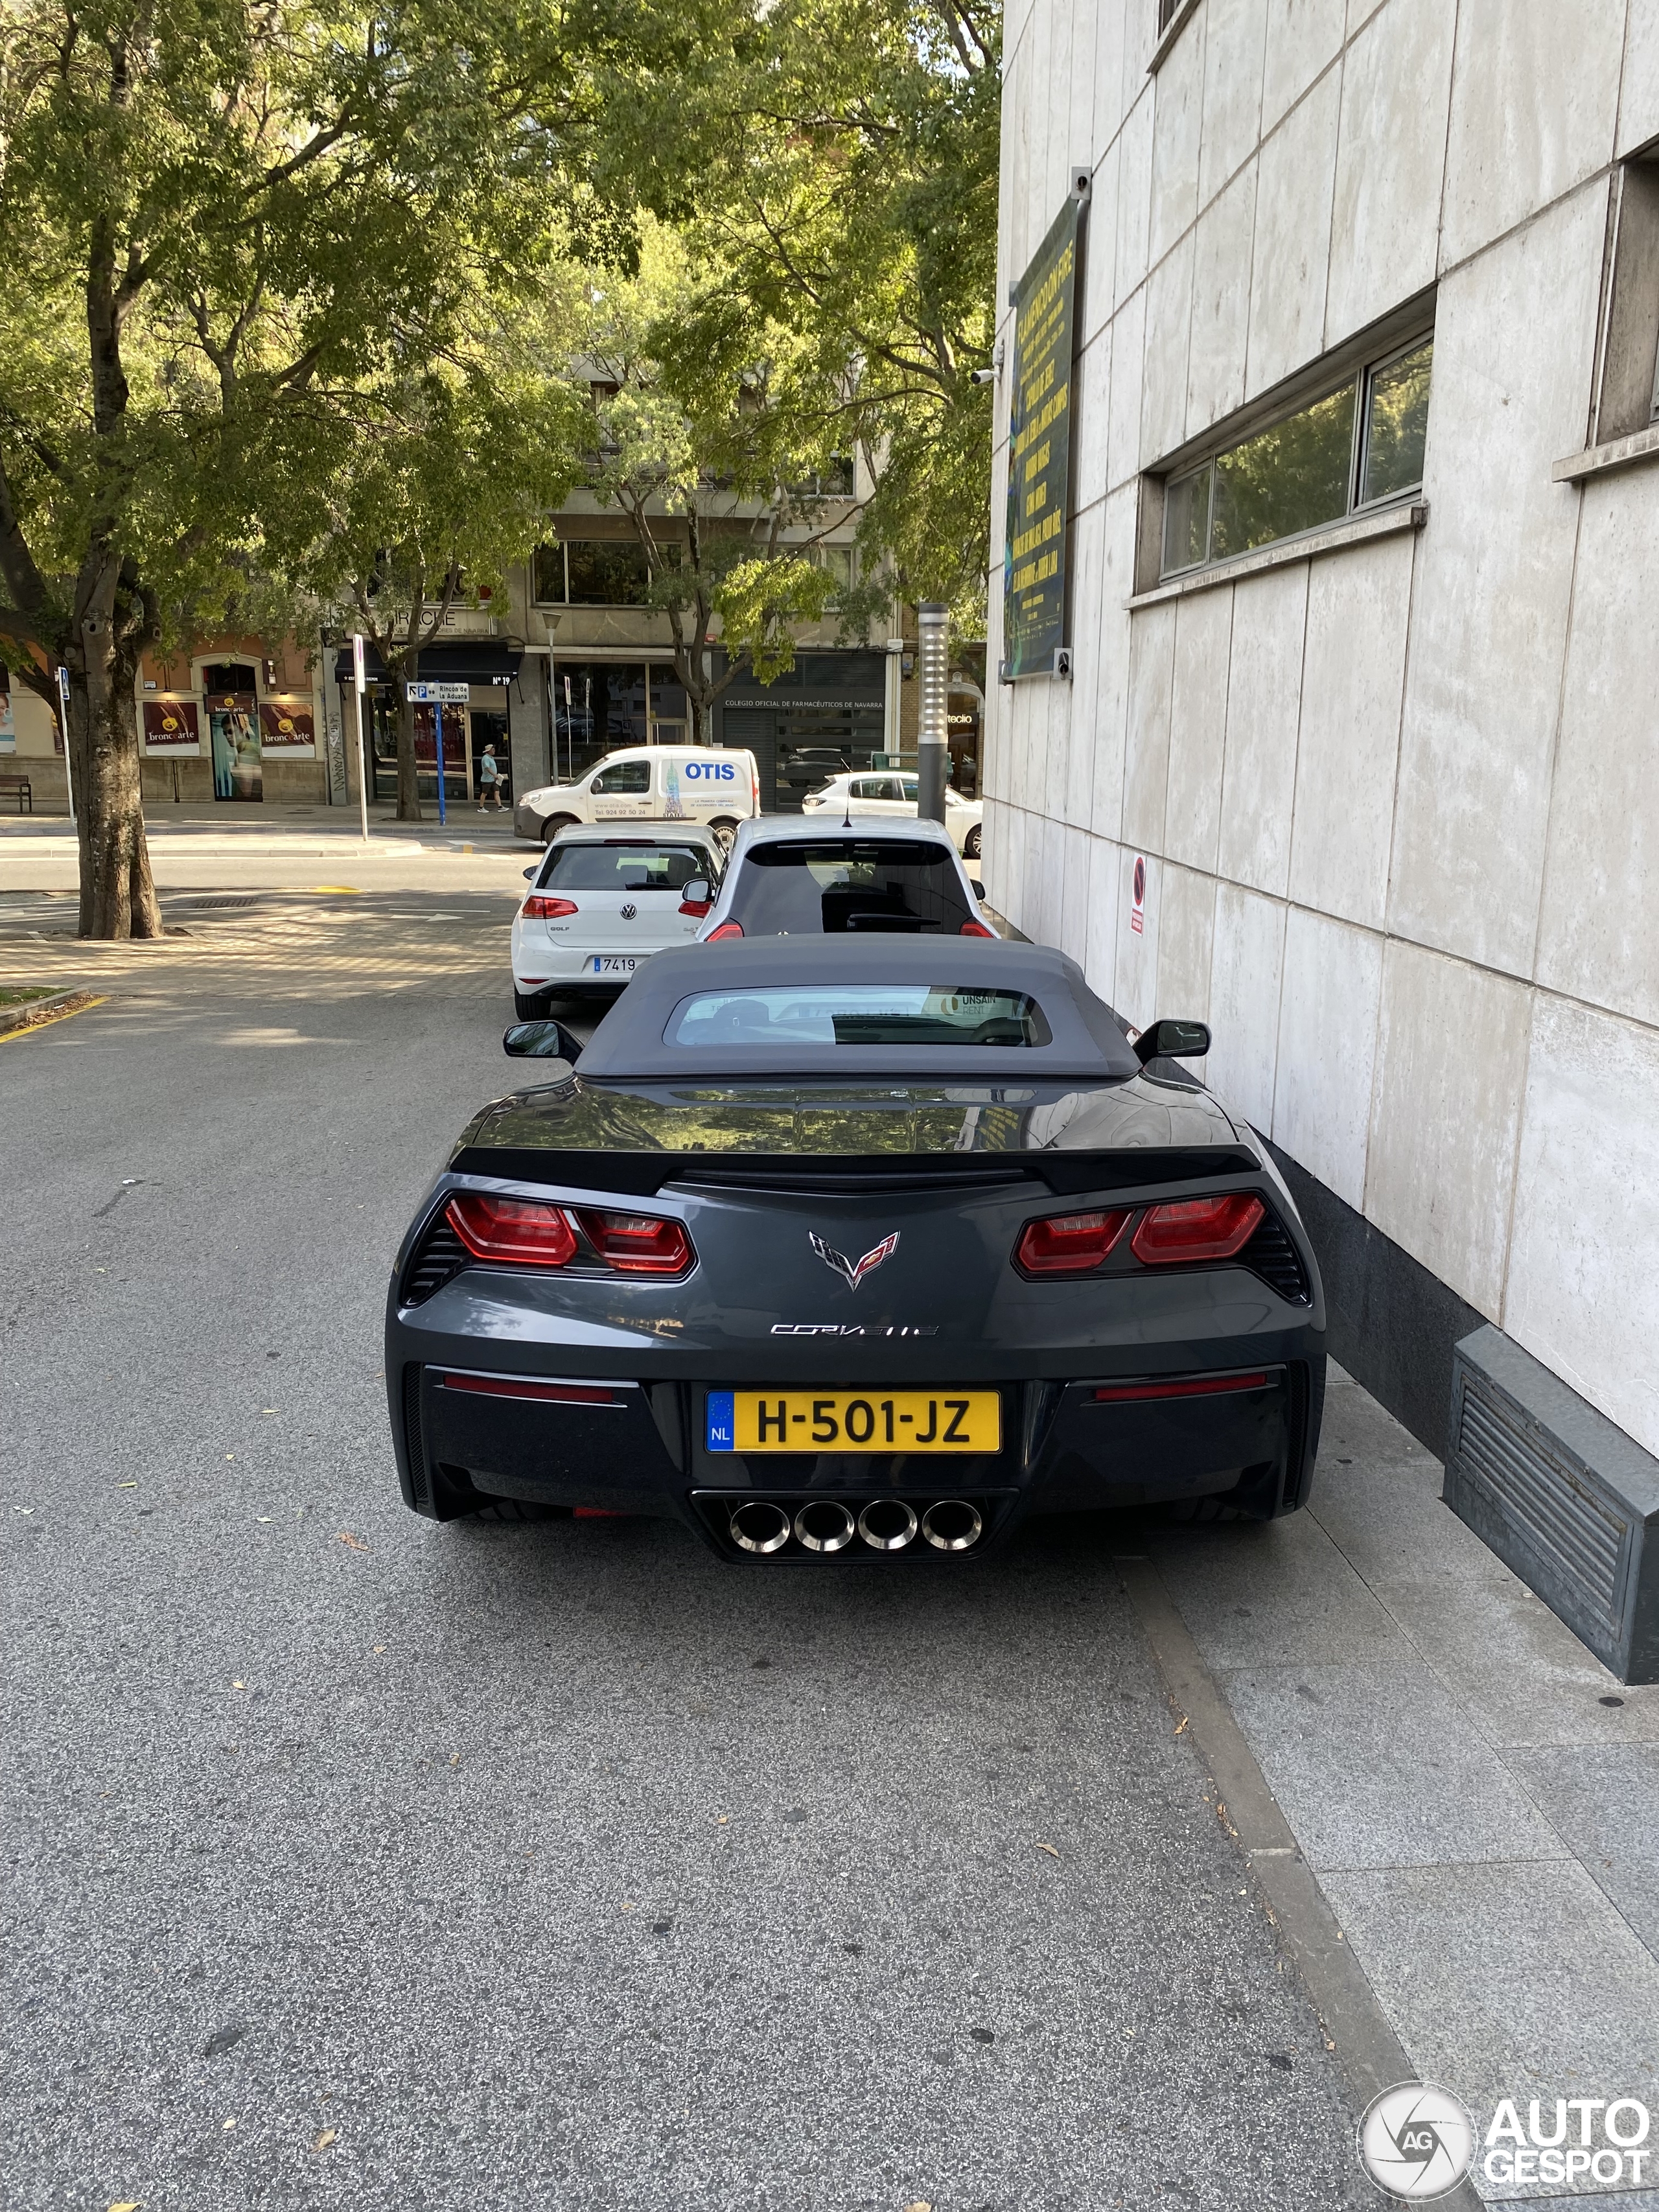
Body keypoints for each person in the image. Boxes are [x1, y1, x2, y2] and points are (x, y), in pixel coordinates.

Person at [476, 743, 504, 811]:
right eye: (493, 749)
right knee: (484, 793)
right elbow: (487, 768)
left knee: (497, 792)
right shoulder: (486, 758)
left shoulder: (491, 758)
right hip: (487, 780)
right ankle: (481, 807)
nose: (494, 751)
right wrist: (494, 774)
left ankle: (500, 806)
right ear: (489, 751)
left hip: (493, 779)